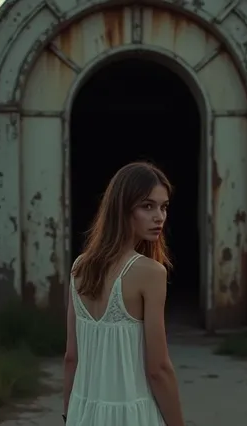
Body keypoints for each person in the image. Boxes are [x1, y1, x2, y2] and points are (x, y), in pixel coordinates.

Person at [63, 161, 185, 426]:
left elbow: (71, 357)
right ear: (122, 208)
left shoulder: (79, 267)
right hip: (132, 415)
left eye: (163, 207)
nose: (159, 217)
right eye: (147, 206)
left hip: (82, 412)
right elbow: (159, 369)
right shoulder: (150, 273)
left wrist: (68, 415)